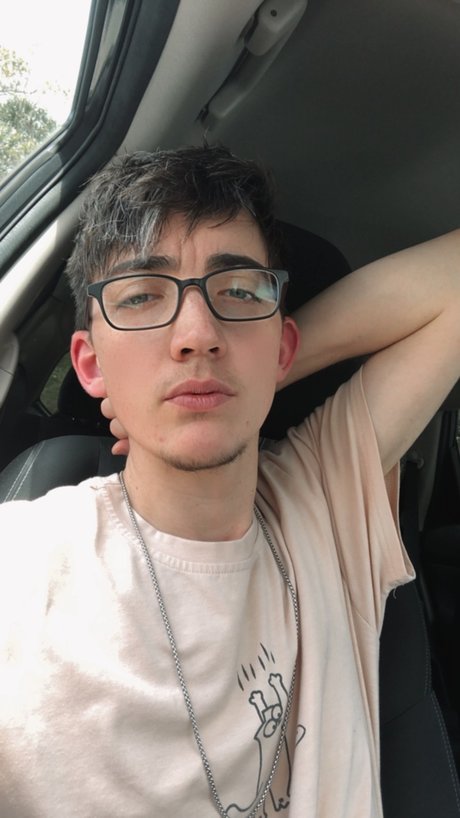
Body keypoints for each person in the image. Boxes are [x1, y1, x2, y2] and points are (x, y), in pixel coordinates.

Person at [0, 144, 459, 818]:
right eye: (142, 295)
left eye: (239, 291)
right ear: (91, 365)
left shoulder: (324, 503)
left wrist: (255, 377)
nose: (197, 334)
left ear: (283, 344)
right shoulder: (22, 563)